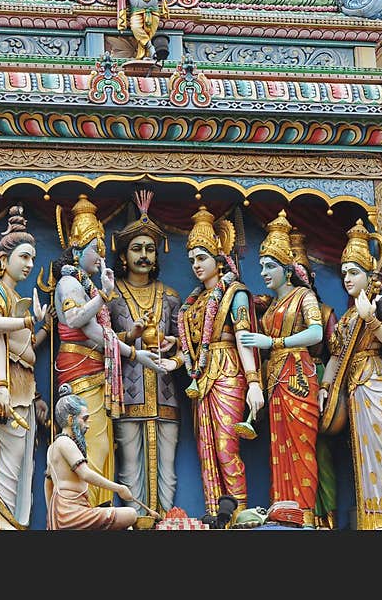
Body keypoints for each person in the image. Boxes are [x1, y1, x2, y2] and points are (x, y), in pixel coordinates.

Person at [54, 194, 164, 507]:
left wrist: (130, 335)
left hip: (94, 373)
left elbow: (101, 333)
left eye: (103, 249)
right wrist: (105, 296)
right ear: (77, 248)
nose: (101, 256)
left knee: (102, 446)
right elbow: (78, 321)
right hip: (79, 371)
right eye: (96, 249)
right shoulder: (69, 284)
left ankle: (98, 511)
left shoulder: (85, 285)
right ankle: (82, 512)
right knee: (90, 445)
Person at [318, 220, 382, 529]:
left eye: (353, 272)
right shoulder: (346, 318)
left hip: (377, 383)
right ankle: (367, 520)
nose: (347, 278)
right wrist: (324, 386)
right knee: (361, 457)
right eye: (344, 272)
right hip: (353, 388)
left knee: (380, 456)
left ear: (369, 275)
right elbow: (335, 356)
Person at [238, 210, 323, 528]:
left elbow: (316, 333)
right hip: (277, 380)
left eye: (269, 265)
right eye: (261, 265)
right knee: (280, 449)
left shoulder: (303, 296)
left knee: (301, 446)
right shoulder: (271, 305)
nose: (263, 271)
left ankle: (304, 512)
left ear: (288, 270)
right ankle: (284, 510)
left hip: (299, 376)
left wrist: (272, 342)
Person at [178, 206, 262, 522]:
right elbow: (192, 344)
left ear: (218, 256)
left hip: (228, 371)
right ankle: (216, 516)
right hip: (200, 378)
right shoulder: (195, 301)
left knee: (227, 448)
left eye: (202, 258)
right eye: (192, 261)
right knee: (207, 452)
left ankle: (238, 515)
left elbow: (243, 338)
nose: (196, 266)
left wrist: (253, 381)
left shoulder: (234, 294)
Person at [108, 190, 181, 515]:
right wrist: (130, 335)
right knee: (130, 466)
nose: (144, 255)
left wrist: (173, 347)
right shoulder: (112, 297)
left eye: (150, 249)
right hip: (127, 391)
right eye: (136, 248)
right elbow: (103, 340)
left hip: (165, 392)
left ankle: (167, 520)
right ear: (123, 255)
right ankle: (136, 522)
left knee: (168, 468)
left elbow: (186, 342)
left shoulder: (170, 296)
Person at [0, 205, 48, 530]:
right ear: (4, 260)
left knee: (23, 464)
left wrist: (44, 327)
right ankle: (6, 527)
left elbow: (25, 346)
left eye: (32, 258)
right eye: (24, 257)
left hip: (23, 384)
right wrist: (2, 388)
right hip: (5, 385)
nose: (30, 265)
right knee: (9, 463)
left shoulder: (14, 295)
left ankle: (15, 525)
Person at [289, 228, 339, 529]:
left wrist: (326, 387)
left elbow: (335, 352)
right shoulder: (275, 308)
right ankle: (298, 512)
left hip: (316, 375)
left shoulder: (323, 310)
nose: (297, 283)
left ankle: (327, 514)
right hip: (286, 380)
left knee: (320, 451)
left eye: (302, 276)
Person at [45, 384, 138, 530]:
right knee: (131, 514)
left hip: (66, 510)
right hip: (71, 512)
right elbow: (85, 473)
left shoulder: (53, 447)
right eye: (85, 419)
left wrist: (51, 516)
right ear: (71, 419)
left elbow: (48, 484)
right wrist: (119, 488)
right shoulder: (65, 442)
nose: (88, 424)